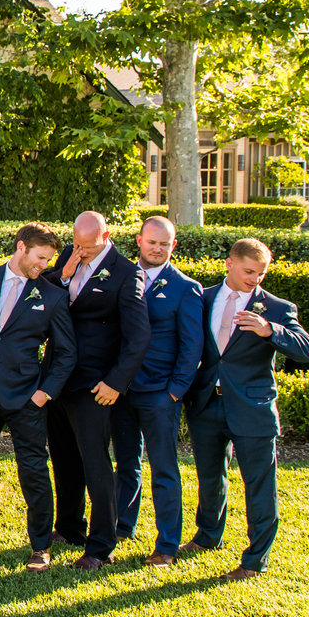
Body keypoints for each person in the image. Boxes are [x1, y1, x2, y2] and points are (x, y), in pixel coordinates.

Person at [183, 237, 309, 580]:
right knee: (210, 477)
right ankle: (207, 536)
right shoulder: (203, 298)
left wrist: (270, 330)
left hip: (252, 408)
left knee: (259, 485)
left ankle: (255, 560)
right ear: (229, 264)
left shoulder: (276, 308)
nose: (254, 279)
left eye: (261, 273)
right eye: (248, 271)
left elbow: (308, 350)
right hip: (206, 404)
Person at [0, 222, 77, 572]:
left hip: (26, 396)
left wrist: (44, 394)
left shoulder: (52, 296)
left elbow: (66, 353)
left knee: (33, 469)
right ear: (21, 247)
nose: (45, 265)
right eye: (41, 258)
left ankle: (40, 546)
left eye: (49, 260)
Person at [46, 211, 151, 569]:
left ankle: (101, 546)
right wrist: (64, 274)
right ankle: (69, 527)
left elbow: (138, 337)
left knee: (96, 465)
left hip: (95, 384)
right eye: (77, 244)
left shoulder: (127, 273)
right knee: (64, 459)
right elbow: (45, 295)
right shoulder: (69, 256)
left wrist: (116, 382)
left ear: (106, 237)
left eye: (88, 246)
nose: (81, 251)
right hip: (58, 378)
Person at [115, 215, 203, 566]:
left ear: (173, 245)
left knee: (164, 470)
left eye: (164, 244)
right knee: (126, 463)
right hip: (122, 391)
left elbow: (192, 347)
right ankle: (122, 527)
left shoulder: (185, 288)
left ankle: (167, 545)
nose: (157, 248)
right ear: (139, 241)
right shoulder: (121, 277)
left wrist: (174, 392)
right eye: (152, 242)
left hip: (160, 393)